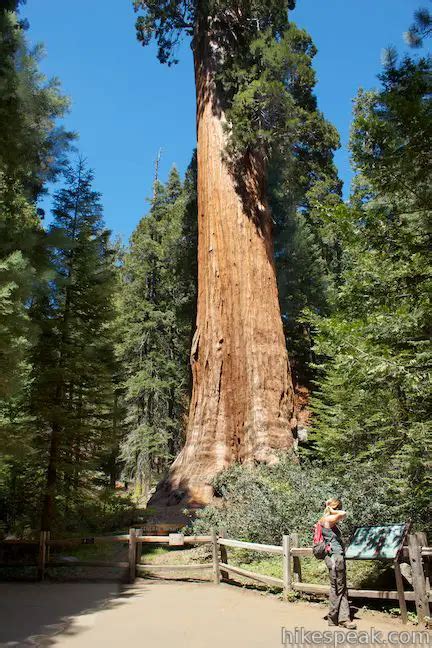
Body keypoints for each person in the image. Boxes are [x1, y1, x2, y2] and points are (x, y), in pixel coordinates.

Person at [320, 498, 356, 629]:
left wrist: (329, 507)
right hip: (335, 557)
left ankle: (341, 619)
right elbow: (344, 513)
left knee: (339, 587)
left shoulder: (325, 519)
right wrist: (331, 508)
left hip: (334, 557)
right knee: (338, 587)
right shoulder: (328, 519)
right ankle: (336, 618)